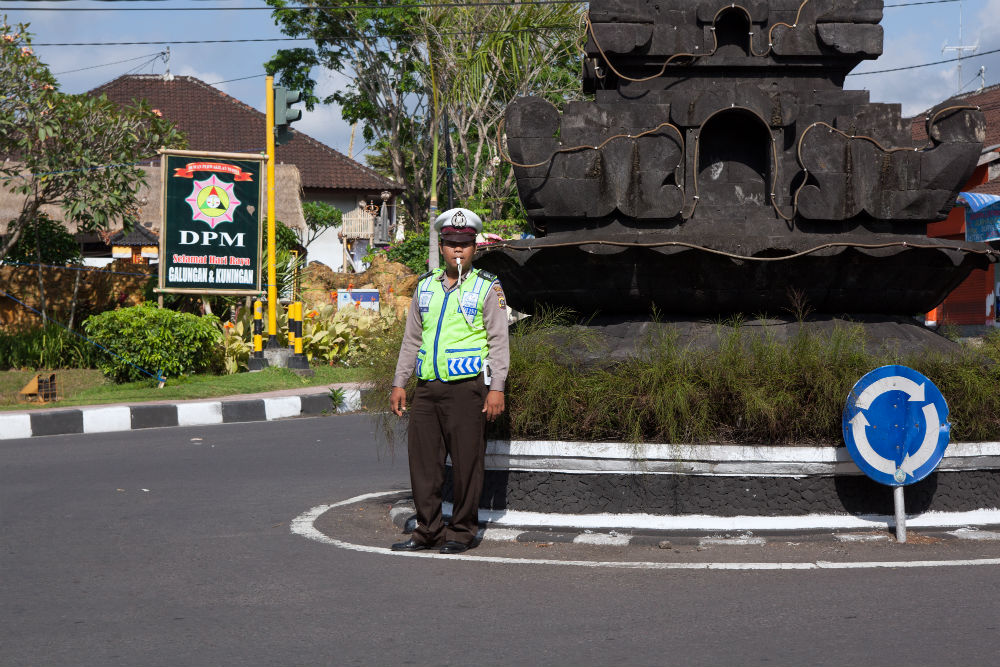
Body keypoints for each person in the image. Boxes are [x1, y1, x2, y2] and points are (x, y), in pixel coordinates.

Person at [389, 207, 510, 555]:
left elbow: (499, 340)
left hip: (467, 389)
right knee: (424, 464)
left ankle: (461, 531)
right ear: (441, 246)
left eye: (465, 244)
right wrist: (400, 382)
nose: (458, 250)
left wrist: (497, 388)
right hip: (427, 389)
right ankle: (428, 531)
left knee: (466, 463)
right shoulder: (425, 287)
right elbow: (412, 339)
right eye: (451, 244)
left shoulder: (488, 287)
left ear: (475, 248)